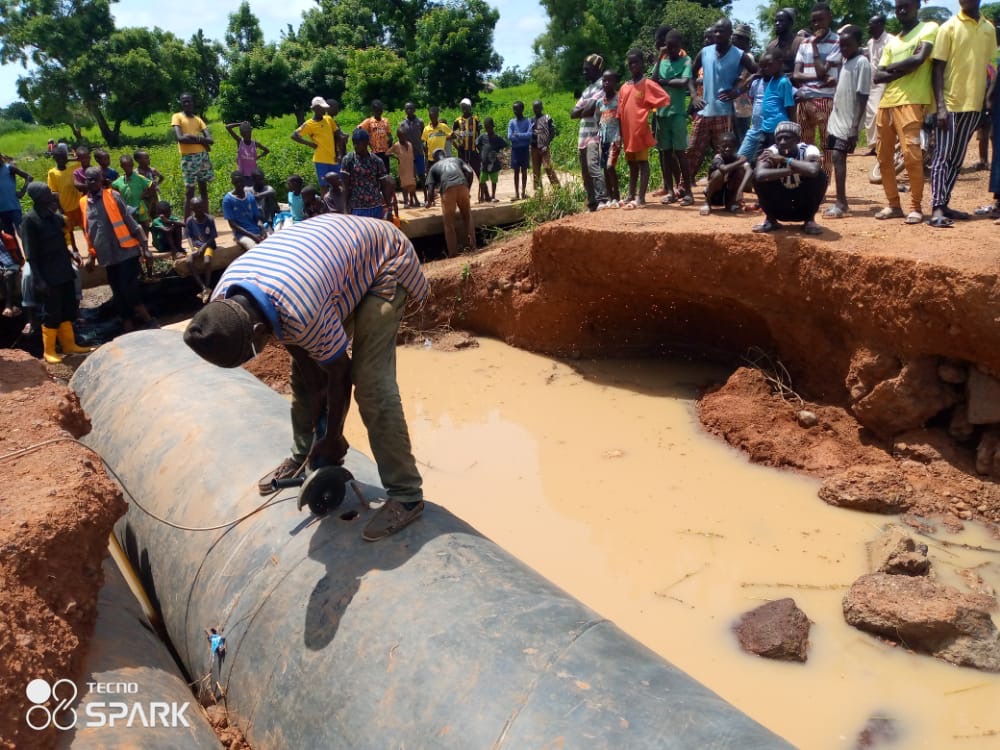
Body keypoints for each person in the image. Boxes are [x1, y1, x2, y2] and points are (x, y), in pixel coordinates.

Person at [183, 215, 430, 542]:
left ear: (258, 330)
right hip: (329, 264)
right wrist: (320, 428)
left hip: (385, 260)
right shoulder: (224, 300)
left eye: (253, 351)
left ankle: (407, 494)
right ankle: (303, 457)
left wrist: (333, 437)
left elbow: (340, 374)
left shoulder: (302, 311)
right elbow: (305, 360)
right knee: (302, 376)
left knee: (371, 383)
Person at [927, 0, 996, 227]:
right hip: (950, 104)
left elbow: (990, 67)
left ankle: (944, 204)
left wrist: (987, 101)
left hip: (974, 106)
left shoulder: (988, 29)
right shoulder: (948, 27)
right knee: (942, 157)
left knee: (956, 159)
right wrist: (940, 107)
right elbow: (937, 68)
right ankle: (936, 208)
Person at [873, 0, 939, 225]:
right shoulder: (892, 41)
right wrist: (906, 65)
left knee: (912, 156)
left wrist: (897, 67)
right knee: (883, 158)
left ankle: (915, 207)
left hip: (912, 101)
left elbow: (919, 60)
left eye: (907, 5)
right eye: (898, 7)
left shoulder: (929, 28)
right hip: (887, 103)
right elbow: (878, 75)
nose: (902, 10)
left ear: (917, 6)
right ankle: (893, 205)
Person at [21, 183, 92, 362]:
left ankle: (69, 345)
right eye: (47, 193)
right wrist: (39, 280)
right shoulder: (30, 220)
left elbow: (64, 235)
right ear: (38, 197)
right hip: (48, 273)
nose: (51, 195)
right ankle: (49, 351)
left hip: (63, 269)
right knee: (51, 312)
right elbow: (31, 255)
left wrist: (72, 252)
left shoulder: (52, 216)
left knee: (67, 308)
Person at [79, 166, 156, 330]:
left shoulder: (113, 196)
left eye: (94, 179)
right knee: (118, 291)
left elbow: (131, 222)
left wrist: (145, 247)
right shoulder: (84, 203)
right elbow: (89, 232)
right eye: (88, 179)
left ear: (101, 180)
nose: (91, 182)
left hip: (126, 251)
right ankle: (128, 324)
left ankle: (148, 320)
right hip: (107, 256)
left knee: (129, 289)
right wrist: (91, 256)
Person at [687, 20, 758, 183]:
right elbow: (689, 74)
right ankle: (684, 188)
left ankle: (728, 189)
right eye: (716, 31)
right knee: (692, 150)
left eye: (722, 32)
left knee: (726, 153)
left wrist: (738, 91)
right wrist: (693, 96)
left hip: (724, 114)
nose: (717, 35)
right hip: (703, 111)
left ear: (729, 34)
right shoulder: (704, 52)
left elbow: (758, 72)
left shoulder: (739, 55)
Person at [823, 25, 872, 218]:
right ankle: (841, 202)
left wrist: (854, 127)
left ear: (858, 44)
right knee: (836, 158)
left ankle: (841, 203)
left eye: (847, 45)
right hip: (837, 117)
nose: (843, 49)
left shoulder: (862, 63)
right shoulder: (846, 61)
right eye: (841, 45)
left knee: (837, 157)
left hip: (849, 120)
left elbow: (862, 96)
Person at [752, 121, 828, 234]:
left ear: (797, 140)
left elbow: (813, 170)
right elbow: (759, 174)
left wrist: (784, 160)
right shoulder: (771, 151)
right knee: (756, 177)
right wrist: (792, 170)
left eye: (787, 138)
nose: (782, 142)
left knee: (820, 176)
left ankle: (809, 220)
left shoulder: (809, 150)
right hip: (780, 203)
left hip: (802, 202)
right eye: (779, 138)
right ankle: (770, 220)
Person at [618, 49, 671, 209]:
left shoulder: (647, 84)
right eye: (630, 63)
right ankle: (630, 195)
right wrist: (620, 134)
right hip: (627, 133)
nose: (633, 65)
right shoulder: (624, 87)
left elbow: (664, 97)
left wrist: (651, 108)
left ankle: (641, 197)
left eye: (636, 62)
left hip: (640, 130)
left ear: (642, 64)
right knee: (631, 164)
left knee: (642, 163)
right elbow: (620, 112)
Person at [653, 30, 695, 205]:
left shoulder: (686, 60)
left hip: (677, 113)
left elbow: (683, 82)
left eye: (674, 46)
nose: (671, 49)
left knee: (680, 153)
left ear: (680, 47)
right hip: (662, 114)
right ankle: (671, 191)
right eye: (668, 46)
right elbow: (653, 79)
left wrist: (665, 82)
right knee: (666, 154)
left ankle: (688, 193)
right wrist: (659, 57)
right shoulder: (662, 62)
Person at [737, 50, 797, 162]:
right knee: (757, 160)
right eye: (763, 67)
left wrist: (794, 130)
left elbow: (790, 107)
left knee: (773, 160)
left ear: (780, 62)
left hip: (778, 130)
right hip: (765, 129)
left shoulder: (784, 82)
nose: (765, 69)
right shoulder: (770, 80)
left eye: (768, 65)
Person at [570, 53, 609, 211]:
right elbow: (573, 113)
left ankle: (602, 199)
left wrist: (583, 108)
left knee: (593, 167)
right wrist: (584, 109)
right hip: (583, 135)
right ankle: (592, 203)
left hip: (595, 133)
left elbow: (589, 110)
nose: (584, 72)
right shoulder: (587, 90)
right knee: (585, 173)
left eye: (587, 69)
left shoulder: (602, 85)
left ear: (596, 68)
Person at [171, 92, 214, 219]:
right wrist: (201, 140)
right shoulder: (177, 117)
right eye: (184, 101)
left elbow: (210, 140)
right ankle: (187, 224)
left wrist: (193, 137)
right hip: (188, 158)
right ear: (181, 103)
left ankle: (206, 220)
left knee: (203, 190)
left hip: (203, 157)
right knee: (189, 191)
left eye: (189, 101)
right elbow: (180, 138)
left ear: (192, 103)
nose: (187, 104)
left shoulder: (198, 119)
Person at [426, 151, 476, 257]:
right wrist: (468, 188)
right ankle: (473, 247)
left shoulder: (434, 167)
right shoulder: (457, 160)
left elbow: (430, 190)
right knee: (467, 217)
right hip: (463, 186)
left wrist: (429, 202)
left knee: (449, 223)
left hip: (448, 189)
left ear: (434, 158)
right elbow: (470, 172)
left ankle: (453, 253)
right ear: (445, 154)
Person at [291, 96, 341, 188]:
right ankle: (326, 202)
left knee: (339, 183)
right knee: (324, 185)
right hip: (321, 160)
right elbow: (294, 136)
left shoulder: (329, 119)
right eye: (322, 108)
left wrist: (339, 152)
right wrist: (310, 144)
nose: (324, 110)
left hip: (333, 158)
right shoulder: (309, 124)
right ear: (315, 109)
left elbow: (337, 135)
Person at [342, 128, 389, 219]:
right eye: (354, 143)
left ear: (367, 142)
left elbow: (384, 185)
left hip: (376, 206)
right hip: (357, 208)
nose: (355, 146)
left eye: (358, 143)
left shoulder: (376, 161)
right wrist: (345, 209)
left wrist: (389, 207)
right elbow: (345, 186)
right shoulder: (348, 160)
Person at [701, 132, 752, 215]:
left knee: (741, 172)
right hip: (716, 194)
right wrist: (741, 161)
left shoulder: (737, 158)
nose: (727, 149)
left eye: (730, 146)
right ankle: (707, 202)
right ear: (718, 148)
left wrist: (740, 190)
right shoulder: (718, 158)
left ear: (736, 148)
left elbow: (749, 170)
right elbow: (724, 169)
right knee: (718, 174)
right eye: (724, 146)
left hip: (729, 192)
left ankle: (731, 203)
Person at [47, 144, 83, 256]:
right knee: (70, 230)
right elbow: (54, 192)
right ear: (55, 159)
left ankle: (91, 248)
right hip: (65, 206)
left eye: (64, 157)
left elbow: (81, 158)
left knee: (85, 227)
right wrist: (59, 208)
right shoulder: (52, 173)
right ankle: (75, 248)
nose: (63, 160)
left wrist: (70, 157)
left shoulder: (73, 167)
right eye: (60, 158)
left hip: (78, 205)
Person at [864, 15, 890, 154]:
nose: (868, 27)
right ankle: (873, 146)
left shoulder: (890, 40)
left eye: (871, 24)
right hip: (871, 81)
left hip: (884, 82)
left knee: (876, 113)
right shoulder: (870, 42)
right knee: (870, 114)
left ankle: (882, 144)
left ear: (880, 24)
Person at [597, 70, 622, 206]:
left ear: (615, 82)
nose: (606, 83)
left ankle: (616, 196)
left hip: (615, 138)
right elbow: (598, 119)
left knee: (610, 166)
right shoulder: (600, 102)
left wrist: (622, 136)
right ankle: (610, 197)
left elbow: (622, 119)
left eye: (609, 80)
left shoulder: (619, 99)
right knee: (604, 168)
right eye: (604, 80)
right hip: (603, 139)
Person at [222, 171, 264, 252]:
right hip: (242, 235)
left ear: (244, 181)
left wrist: (262, 229)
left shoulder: (250, 197)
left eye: (241, 181)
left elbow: (257, 218)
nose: (239, 184)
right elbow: (232, 224)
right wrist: (252, 236)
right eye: (236, 182)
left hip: (256, 230)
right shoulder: (228, 200)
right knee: (256, 250)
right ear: (232, 182)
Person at [185, 196, 216, 302]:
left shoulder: (209, 219)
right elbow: (189, 236)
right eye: (196, 208)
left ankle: (207, 286)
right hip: (196, 246)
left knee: (207, 261)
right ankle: (203, 288)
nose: (198, 210)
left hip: (208, 245)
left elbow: (212, 237)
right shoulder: (189, 221)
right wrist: (192, 248)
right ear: (191, 208)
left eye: (200, 207)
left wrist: (203, 247)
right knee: (189, 261)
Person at [732, 24, 757, 144]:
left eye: (736, 37)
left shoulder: (748, 57)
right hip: (734, 102)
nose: (733, 40)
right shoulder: (736, 56)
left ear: (744, 40)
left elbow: (741, 79)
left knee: (742, 137)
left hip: (741, 104)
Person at [530, 100, 560, 193]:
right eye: (535, 108)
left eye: (538, 107)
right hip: (534, 148)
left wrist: (546, 145)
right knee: (536, 169)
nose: (536, 109)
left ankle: (557, 188)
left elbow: (552, 132)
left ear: (541, 108)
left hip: (544, 148)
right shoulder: (531, 120)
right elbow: (529, 133)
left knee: (548, 167)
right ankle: (538, 191)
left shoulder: (547, 118)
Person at [476, 117, 507, 203]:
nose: (488, 129)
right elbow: (477, 144)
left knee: (494, 181)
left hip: (494, 163)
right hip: (484, 163)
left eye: (489, 127)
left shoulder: (497, 137)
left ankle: (493, 196)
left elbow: (504, 145)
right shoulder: (482, 137)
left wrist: (499, 153)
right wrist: (481, 152)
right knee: (482, 180)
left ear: (492, 127)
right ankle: (482, 197)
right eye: (486, 127)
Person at [400, 102, 426, 204]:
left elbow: (424, 136)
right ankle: (412, 200)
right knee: (411, 178)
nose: (409, 110)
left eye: (411, 108)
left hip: (419, 152)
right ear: (405, 110)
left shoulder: (420, 122)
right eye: (407, 109)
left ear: (414, 109)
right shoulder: (403, 124)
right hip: (408, 155)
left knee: (422, 176)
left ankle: (426, 197)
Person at [387, 126, 418, 208]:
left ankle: (412, 201)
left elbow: (413, 158)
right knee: (404, 186)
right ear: (398, 136)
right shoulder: (396, 145)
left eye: (404, 135)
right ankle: (406, 203)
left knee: (412, 185)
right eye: (401, 136)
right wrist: (395, 157)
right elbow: (387, 153)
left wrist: (414, 170)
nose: (402, 137)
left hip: (410, 167)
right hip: (403, 169)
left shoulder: (410, 144)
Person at [507, 100, 532, 201]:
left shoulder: (527, 121)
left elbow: (530, 135)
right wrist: (523, 136)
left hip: (524, 149)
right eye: (514, 109)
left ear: (522, 109)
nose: (515, 111)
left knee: (524, 171)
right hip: (516, 150)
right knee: (516, 172)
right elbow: (509, 136)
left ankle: (523, 193)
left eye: (517, 109)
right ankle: (517, 194)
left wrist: (517, 135)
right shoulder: (511, 122)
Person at [768, 8, 804, 76]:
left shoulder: (801, 42)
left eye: (781, 21)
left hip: (796, 84)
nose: (777, 23)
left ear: (790, 22)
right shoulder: (771, 45)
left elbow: (805, 68)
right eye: (776, 21)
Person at [359, 100, 393, 172]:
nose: (379, 112)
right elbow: (358, 130)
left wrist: (390, 144)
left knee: (386, 171)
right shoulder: (369, 121)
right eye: (377, 110)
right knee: (376, 172)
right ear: (373, 111)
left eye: (380, 110)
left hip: (385, 152)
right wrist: (366, 142)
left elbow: (389, 135)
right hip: (375, 152)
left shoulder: (385, 121)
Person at [453, 98, 482, 179]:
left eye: (466, 107)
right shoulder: (457, 121)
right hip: (462, 152)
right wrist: (457, 145)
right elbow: (452, 133)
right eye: (463, 107)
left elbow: (479, 134)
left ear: (470, 107)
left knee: (479, 172)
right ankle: (465, 191)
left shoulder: (475, 119)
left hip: (473, 151)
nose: (464, 109)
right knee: (463, 173)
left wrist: (480, 148)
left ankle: (485, 191)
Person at [134, 150, 163, 225]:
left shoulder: (152, 170)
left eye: (148, 157)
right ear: (138, 160)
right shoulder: (136, 173)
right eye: (146, 158)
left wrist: (156, 184)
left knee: (156, 214)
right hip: (144, 198)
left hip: (154, 196)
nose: (149, 159)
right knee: (145, 217)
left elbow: (162, 177)